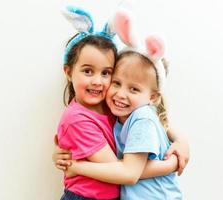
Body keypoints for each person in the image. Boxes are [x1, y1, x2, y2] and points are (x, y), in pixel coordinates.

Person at [55, 6, 188, 200]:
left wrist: (181, 142)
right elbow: (125, 172)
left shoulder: (114, 109)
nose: (97, 81)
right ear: (68, 72)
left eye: (106, 73)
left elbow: (156, 127)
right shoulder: (78, 118)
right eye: (87, 71)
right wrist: (171, 164)